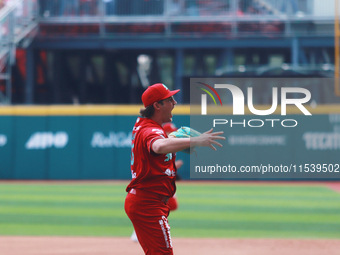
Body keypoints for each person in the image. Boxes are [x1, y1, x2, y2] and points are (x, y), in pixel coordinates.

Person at [124, 83, 225, 254]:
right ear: (157, 105)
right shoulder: (150, 130)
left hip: (148, 201)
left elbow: (157, 145)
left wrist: (171, 138)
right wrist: (195, 141)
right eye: (170, 99)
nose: (175, 102)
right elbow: (158, 146)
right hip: (148, 204)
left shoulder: (148, 126)